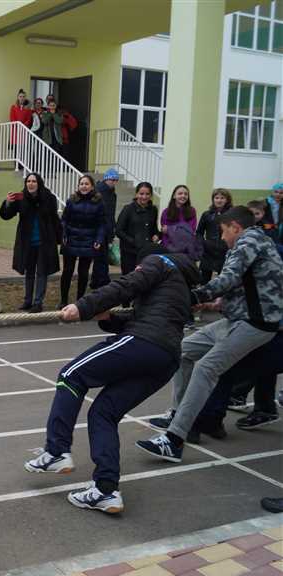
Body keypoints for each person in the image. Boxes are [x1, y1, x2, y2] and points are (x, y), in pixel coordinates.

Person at [24, 246, 200, 514]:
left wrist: (83, 306)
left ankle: (57, 450)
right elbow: (150, 318)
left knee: (71, 376)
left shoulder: (159, 262)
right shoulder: (181, 286)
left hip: (145, 343)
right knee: (103, 413)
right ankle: (106, 490)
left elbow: (127, 285)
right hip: (166, 359)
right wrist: (110, 318)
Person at [136, 206, 283, 462]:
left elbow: (228, 278)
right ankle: (178, 413)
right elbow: (247, 286)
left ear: (236, 228)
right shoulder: (259, 242)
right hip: (238, 317)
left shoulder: (249, 240)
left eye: (224, 232)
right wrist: (215, 304)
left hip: (256, 325)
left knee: (206, 368)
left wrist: (193, 296)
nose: (223, 238)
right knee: (182, 351)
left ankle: (174, 439)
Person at [0, 173, 61, 313]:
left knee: (42, 272)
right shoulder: (21, 198)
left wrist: (59, 238)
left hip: (44, 242)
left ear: (39, 183)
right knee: (29, 272)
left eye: (34, 181)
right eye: (28, 181)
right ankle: (28, 301)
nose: (31, 183)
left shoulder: (49, 198)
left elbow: (54, 219)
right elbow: (6, 215)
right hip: (27, 242)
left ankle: (38, 302)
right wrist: (8, 202)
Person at [59, 174, 105, 308]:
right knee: (67, 270)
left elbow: (102, 224)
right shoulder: (72, 200)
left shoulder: (99, 202)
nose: (84, 186)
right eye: (81, 184)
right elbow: (64, 219)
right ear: (78, 186)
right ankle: (63, 300)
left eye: (86, 184)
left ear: (92, 186)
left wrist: (99, 239)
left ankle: (80, 301)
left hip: (89, 240)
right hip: (71, 239)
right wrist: (64, 234)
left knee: (83, 272)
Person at [115, 182, 159, 275]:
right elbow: (118, 230)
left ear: (151, 195)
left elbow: (154, 229)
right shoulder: (128, 209)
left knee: (144, 279)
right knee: (129, 279)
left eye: (147, 194)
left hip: (146, 252)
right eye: (141, 194)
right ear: (136, 194)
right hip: (129, 252)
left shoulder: (153, 210)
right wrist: (133, 241)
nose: (144, 197)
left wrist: (157, 235)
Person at [196, 188, 232, 284]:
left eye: (222, 198)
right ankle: (204, 296)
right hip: (208, 250)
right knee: (204, 279)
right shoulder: (206, 214)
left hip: (224, 250)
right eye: (216, 198)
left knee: (223, 278)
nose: (219, 200)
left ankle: (220, 298)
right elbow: (199, 232)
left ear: (227, 200)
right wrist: (202, 243)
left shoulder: (231, 214)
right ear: (213, 199)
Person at [91, 169, 119, 290]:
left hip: (107, 228)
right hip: (99, 229)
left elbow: (111, 214)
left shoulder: (112, 193)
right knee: (100, 257)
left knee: (102, 256)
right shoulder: (100, 192)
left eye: (116, 180)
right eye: (112, 179)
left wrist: (112, 230)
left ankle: (98, 280)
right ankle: (101, 280)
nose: (114, 182)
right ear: (106, 179)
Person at [160, 185, 200, 259]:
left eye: (186, 194)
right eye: (180, 193)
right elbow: (164, 233)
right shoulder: (166, 212)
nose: (183, 196)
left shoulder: (192, 211)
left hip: (186, 251)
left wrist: (170, 229)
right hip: (169, 249)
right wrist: (180, 228)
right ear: (174, 196)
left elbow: (189, 231)